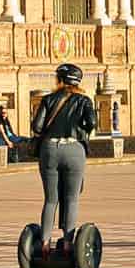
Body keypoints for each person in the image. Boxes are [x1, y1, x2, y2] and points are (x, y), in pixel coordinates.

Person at [31, 63, 95, 256]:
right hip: (74, 149)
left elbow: (37, 126)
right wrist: (80, 131)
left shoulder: (48, 100)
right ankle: (67, 243)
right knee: (72, 198)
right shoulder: (84, 101)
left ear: (59, 80)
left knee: (51, 199)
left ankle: (43, 243)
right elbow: (91, 122)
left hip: (50, 149)